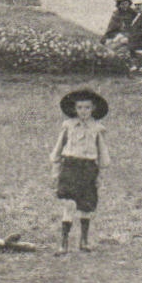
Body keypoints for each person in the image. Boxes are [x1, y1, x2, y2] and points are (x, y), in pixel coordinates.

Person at [50, 88, 110, 256]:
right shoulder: (68, 126)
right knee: (68, 203)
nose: (83, 111)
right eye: (80, 108)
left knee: (86, 205)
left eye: (87, 108)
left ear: (93, 109)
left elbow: (102, 154)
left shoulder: (98, 129)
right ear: (75, 109)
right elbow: (58, 149)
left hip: (88, 168)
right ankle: (64, 242)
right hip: (70, 166)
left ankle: (84, 240)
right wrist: (55, 171)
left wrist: (100, 176)